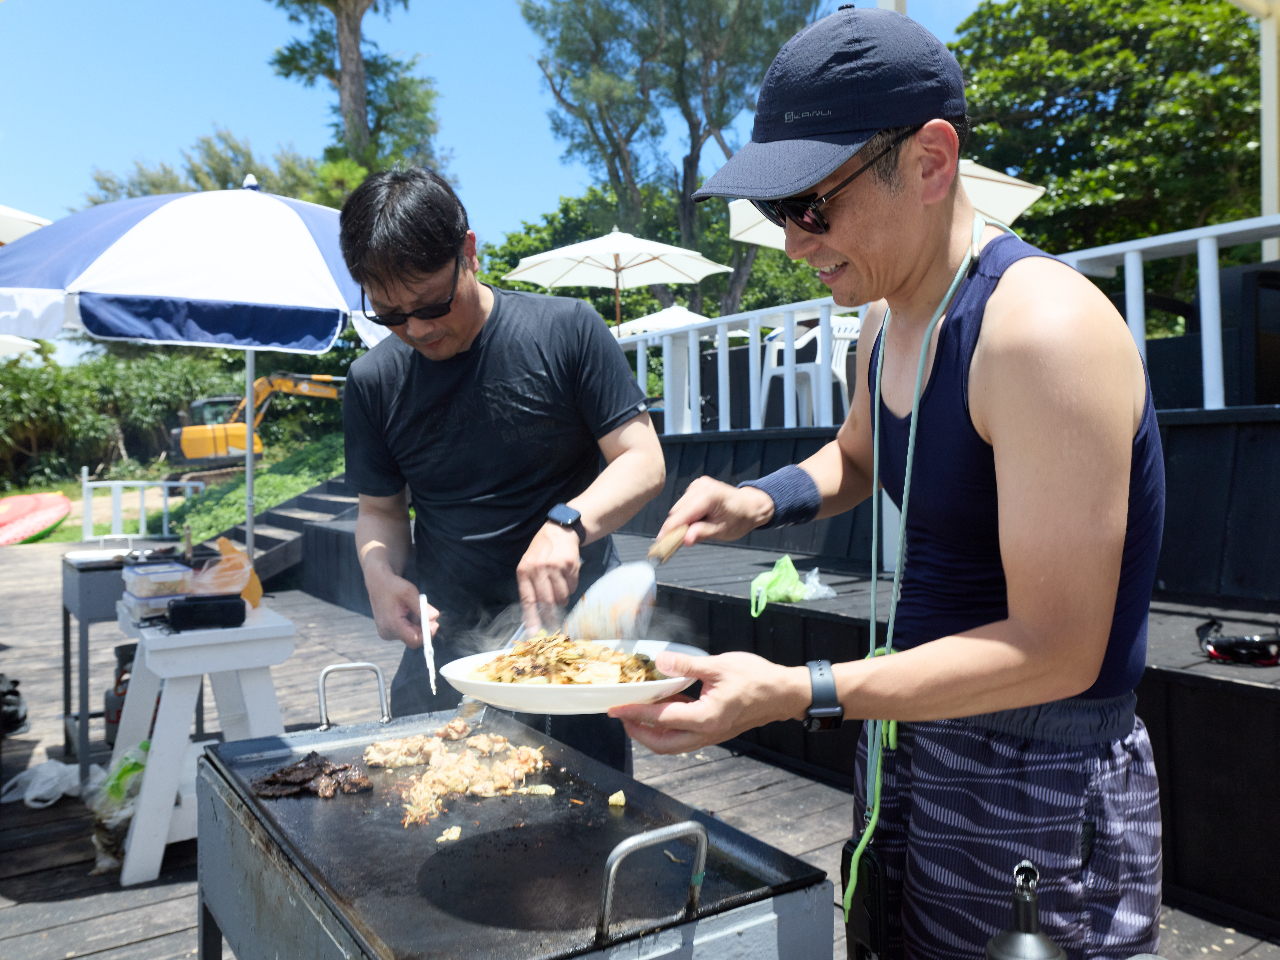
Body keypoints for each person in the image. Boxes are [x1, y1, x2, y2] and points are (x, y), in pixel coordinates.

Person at [609, 8, 1164, 959]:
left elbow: (1061, 649)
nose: (791, 243)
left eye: (812, 206)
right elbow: (860, 456)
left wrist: (795, 689)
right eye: (776, 213)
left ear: (931, 161)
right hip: (910, 730)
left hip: (1038, 777)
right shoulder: (884, 320)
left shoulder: (1039, 333)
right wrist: (760, 499)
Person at [340, 167, 665, 772]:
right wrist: (379, 574)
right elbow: (380, 511)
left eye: (432, 303)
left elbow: (642, 460)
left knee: (584, 820)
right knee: (424, 807)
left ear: (469, 251)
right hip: (448, 644)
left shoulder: (565, 330)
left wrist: (568, 522)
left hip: (575, 641)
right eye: (389, 314)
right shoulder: (372, 383)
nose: (417, 329)